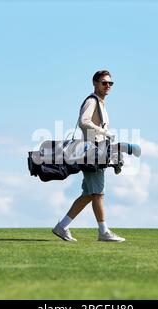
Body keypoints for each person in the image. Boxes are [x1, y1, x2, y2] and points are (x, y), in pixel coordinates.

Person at [52, 70, 126, 242]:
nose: (108, 86)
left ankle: (62, 226)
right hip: (92, 153)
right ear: (95, 83)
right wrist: (104, 132)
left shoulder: (100, 103)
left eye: (110, 83)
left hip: (96, 152)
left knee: (89, 194)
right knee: (98, 193)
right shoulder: (92, 101)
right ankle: (104, 232)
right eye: (104, 82)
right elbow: (84, 122)